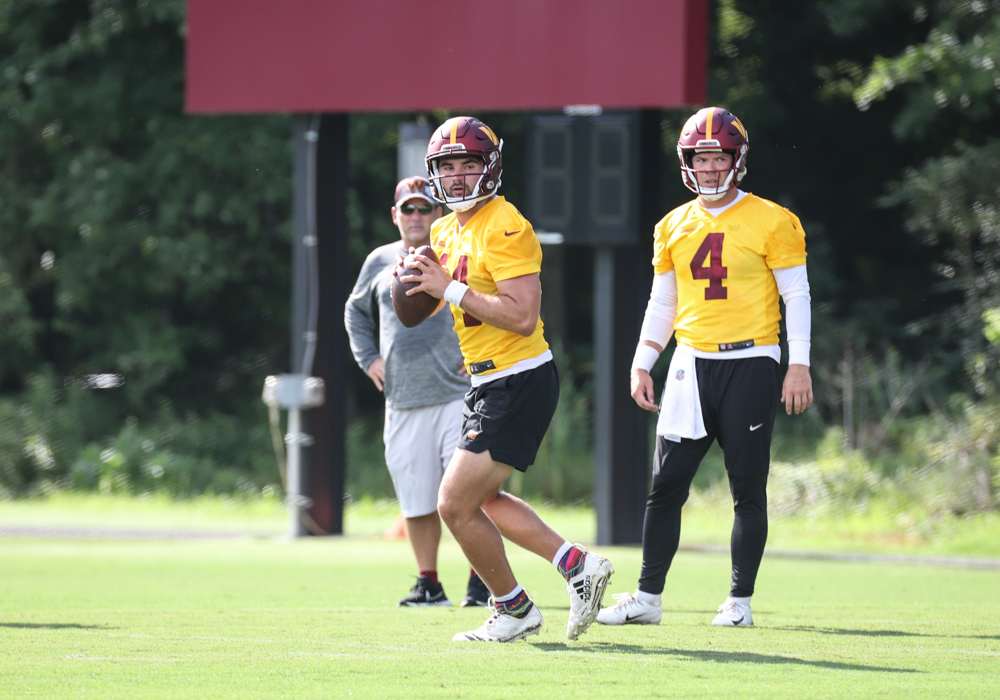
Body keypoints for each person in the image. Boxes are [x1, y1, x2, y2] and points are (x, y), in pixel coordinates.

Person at [397, 116, 614, 642]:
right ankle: (576, 567)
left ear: (490, 168)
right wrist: (413, 284)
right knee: (484, 501)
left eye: (468, 164)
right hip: (488, 383)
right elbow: (430, 307)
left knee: (453, 504)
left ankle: (515, 608)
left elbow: (520, 315)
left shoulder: (505, 223)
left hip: (519, 378)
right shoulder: (444, 229)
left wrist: (447, 288)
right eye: (448, 166)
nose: (457, 176)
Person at [597, 107, 814, 628]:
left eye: (719, 157)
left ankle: (739, 601)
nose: (710, 167)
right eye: (701, 157)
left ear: (737, 160)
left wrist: (799, 363)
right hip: (690, 362)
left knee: (747, 488)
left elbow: (797, 295)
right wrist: (642, 362)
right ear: (687, 161)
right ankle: (647, 598)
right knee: (666, 485)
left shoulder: (773, 219)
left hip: (752, 358)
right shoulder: (672, 225)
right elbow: (663, 302)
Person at [344, 176, 490, 609]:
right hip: (402, 399)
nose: (416, 216)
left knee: (470, 494)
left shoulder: (457, 252)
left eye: (425, 208)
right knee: (416, 500)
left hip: (457, 394)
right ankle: (429, 584)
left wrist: (481, 352)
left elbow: (490, 299)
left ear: (438, 213)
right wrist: (368, 358)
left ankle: (482, 583)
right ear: (395, 215)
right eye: (408, 208)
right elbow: (354, 310)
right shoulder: (379, 259)